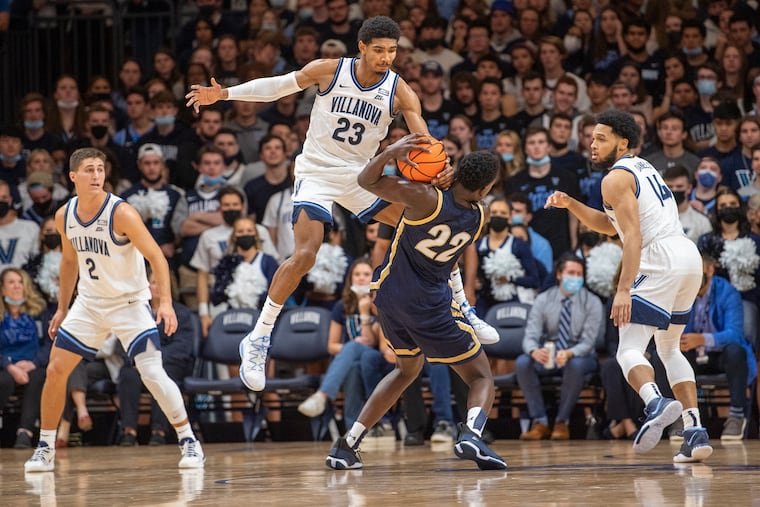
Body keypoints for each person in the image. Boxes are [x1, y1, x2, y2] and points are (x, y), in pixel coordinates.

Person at [186, 16, 495, 392]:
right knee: (305, 255)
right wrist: (226, 94)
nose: (386, 58)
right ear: (362, 48)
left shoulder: (401, 92)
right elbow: (277, 87)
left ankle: (462, 306)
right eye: (379, 50)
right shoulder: (329, 70)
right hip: (316, 172)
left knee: (433, 221)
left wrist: (442, 168)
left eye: (392, 51)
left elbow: (423, 142)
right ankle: (259, 337)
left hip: (361, 175)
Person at [325, 137, 506, 471]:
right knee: (481, 377)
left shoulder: (423, 198)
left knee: (405, 370)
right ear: (484, 190)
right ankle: (471, 435)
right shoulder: (479, 217)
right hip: (428, 303)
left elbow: (367, 180)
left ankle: (347, 445)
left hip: (389, 297)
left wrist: (393, 154)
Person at [545, 110, 713, 463]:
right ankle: (695, 432)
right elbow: (612, 226)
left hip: (658, 256)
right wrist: (571, 203)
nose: (592, 144)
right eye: (591, 138)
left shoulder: (614, 179)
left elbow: (632, 236)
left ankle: (654, 402)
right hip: (686, 255)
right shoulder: (643, 167)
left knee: (628, 349)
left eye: (601, 138)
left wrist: (623, 289)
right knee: (669, 350)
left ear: (623, 141)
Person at [25, 147, 204, 472]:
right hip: (90, 304)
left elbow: (158, 258)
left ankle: (188, 440)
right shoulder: (64, 215)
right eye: (89, 170)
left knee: (151, 373)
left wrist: (164, 301)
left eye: (100, 169)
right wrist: (63, 308)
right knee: (54, 370)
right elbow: (68, 262)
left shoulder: (122, 213)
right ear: (73, 177)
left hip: (130, 304)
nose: (96, 176)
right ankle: (45, 447)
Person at [516, 253, 602, 440]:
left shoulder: (592, 302)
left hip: (580, 354)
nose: (576, 278)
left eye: (579, 274)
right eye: (571, 273)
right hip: (550, 351)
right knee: (523, 362)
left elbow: (588, 342)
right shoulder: (543, 299)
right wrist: (534, 351)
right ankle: (540, 422)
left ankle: (562, 422)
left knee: (576, 364)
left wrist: (570, 353)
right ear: (559, 275)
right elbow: (530, 336)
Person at [681, 254, 756, 441]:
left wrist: (702, 339)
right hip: (694, 355)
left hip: (721, 356)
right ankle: (681, 418)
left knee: (735, 350)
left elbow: (735, 334)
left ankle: (737, 415)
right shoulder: (683, 292)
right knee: (666, 355)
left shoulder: (728, 292)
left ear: (710, 270)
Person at [0, 268, 48, 449]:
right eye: (11, 282)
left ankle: (25, 433)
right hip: (5, 366)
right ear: (3, 289)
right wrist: (10, 366)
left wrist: (34, 363)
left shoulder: (38, 312)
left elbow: (49, 344)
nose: (17, 286)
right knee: (4, 380)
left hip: (32, 365)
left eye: (20, 282)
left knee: (39, 376)